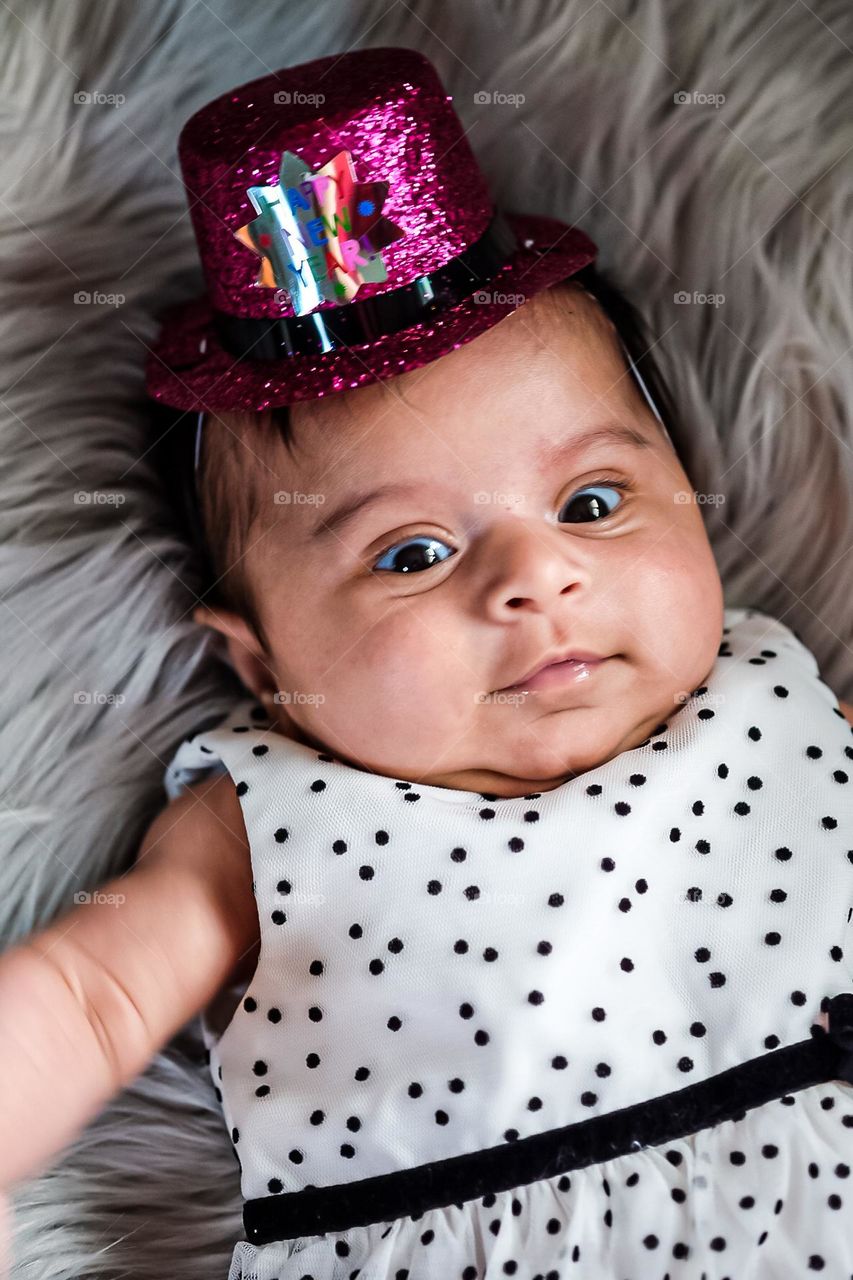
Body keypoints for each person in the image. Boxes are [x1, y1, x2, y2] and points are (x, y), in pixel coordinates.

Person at [3, 45, 853, 1280]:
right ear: (261, 663)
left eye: (596, 498)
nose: (535, 576)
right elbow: (89, 996)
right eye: (409, 554)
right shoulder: (264, 821)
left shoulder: (782, 700)